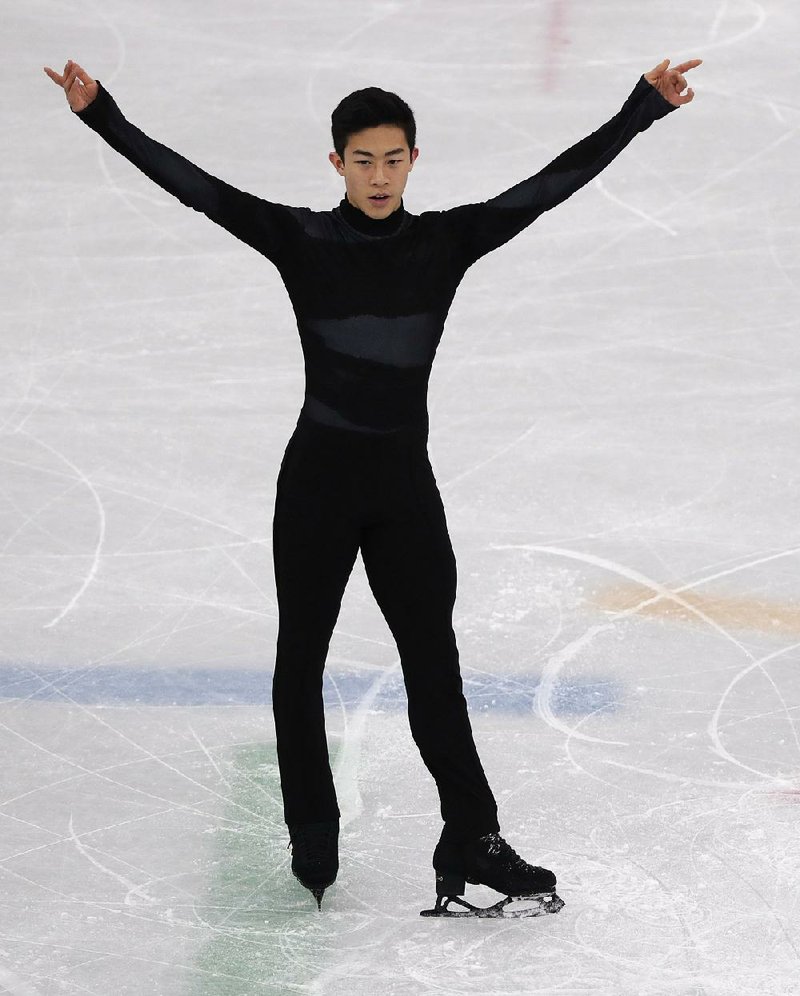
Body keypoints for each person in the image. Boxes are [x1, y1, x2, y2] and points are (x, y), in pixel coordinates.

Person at [44, 54, 701, 917]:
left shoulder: (444, 244)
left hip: (403, 491)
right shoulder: (300, 241)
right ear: (336, 164)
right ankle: (312, 830)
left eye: (393, 159)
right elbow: (197, 188)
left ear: (414, 161)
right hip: (317, 485)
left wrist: (640, 109)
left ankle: (471, 835)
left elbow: (547, 188)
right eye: (363, 160)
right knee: (299, 666)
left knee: (436, 669)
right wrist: (104, 116)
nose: (379, 175)